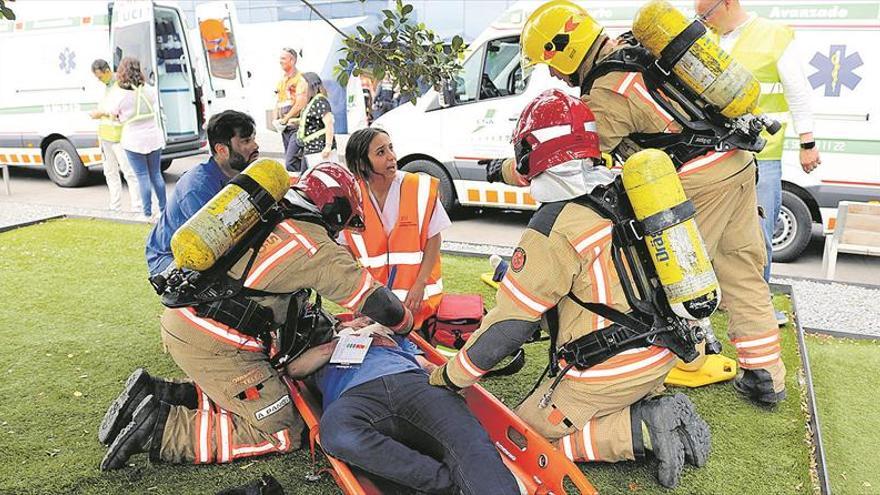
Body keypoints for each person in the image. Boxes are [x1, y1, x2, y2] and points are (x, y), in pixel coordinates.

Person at [430, 90, 711, 489]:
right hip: (668, 349)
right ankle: (643, 402)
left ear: (532, 152)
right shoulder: (623, 191)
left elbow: (509, 329)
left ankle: (640, 427)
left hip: (610, 370)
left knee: (515, 439)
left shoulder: (555, 225)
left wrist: (450, 377)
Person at [514, 0, 786, 406]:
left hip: (697, 182)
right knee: (740, 265)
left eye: (550, 62)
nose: (552, 73)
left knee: (668, 281)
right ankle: (765, 373)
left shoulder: (607, 92)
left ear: (567, 50)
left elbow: (572, 157)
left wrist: (512, 167)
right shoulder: (634, 49)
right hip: (738, 161)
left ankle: (652, 379)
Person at [99, 163, 417, 470]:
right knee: (281, 427)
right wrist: (404, 323)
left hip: (188, 320)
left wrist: (336, 326)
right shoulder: (313, 246)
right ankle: (159, 428)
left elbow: (279, 294)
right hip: (216, 342)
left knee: (251, 392)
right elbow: (380, 303)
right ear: (335, 213)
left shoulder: (272, 215)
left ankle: (154, 391)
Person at [285, 321, 520, 495]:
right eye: (357, 321)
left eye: (368, 320)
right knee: (337, 434)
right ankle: (448, 484)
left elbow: (426, 365)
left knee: (467, 439)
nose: (364, 322)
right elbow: (295, 370)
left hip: (414, 384)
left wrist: (453, 384)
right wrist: (341, 342)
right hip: (355, 396)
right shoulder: (323, 349)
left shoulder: (393, 340)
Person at [697, 0, 821, 326]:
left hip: (760, 156)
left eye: (706, 14)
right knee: (716, 233)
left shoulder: (775, 36)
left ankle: (758, 308)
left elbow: (798, 92)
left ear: (727, 3)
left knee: (759, 236)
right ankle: (719, 299)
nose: (702, 21)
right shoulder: (708, 38)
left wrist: (807, 143)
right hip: (714, 154)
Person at [342, 128, 450, 330]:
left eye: (391, 148)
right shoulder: (350, 197)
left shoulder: (419, 188)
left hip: (418, 303)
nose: (392, 157)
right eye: (381, 152)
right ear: (361, 163)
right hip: (374, 308)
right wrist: (360, 295)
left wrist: (420, 284)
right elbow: (344, 250)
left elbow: (434, 240)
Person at [145, 110, 259, 278]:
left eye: (254, 139)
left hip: (211, 250)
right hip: (170, 260)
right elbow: (215, 243)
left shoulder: (244, 173)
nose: (255, 146)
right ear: (222, 150)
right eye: (246, 141)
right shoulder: (197, 187)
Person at [108, 57, 166, 221]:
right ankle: (163, 210)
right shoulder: (148, 89)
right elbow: (155, 104)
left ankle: (147, 213)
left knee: (142, 176)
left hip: (133, 139)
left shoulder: (121, 93)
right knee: (156, 174)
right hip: (153, 136)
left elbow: (113, 114)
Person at [88, 59, 142, 213]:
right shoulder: (104, 87)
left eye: (100, 76)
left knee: (129, 173)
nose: (99, 80)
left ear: (107, 71)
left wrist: (102, 113)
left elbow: (122, 111)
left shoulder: (120, 85)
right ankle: (114, 207)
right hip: (105, 137)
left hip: (120, 138)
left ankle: (137, 207)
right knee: (110, 173)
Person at [287, 72, 337, 173]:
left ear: (310, 84)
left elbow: (329, 123)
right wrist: (297, 122)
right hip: (310, 148)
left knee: (313, 176)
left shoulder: (320, 101)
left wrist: (328, 146)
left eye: (302, 82)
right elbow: (314, 120)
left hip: (318, 149)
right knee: (307, 176)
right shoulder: (312, 101)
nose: (300, 85)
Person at [275, 48, 308, 172]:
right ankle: (301, 181)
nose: (280, 61)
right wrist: (276, 120)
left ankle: (306, 176)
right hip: (285, 128)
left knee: (290, 162)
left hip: (296, 126)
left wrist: (285, 119)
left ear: (292, 60)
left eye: (283, 58)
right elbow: (278, 102)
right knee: (292, 160)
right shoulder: (282, 80)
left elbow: (300, 104)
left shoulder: (300, 79)